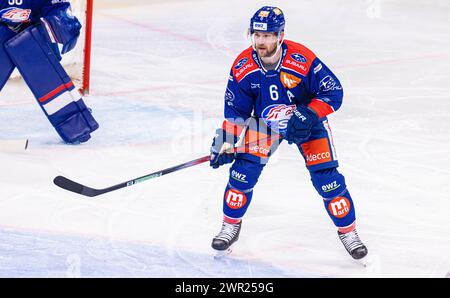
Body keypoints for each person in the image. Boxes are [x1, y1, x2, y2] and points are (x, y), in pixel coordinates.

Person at [209, 6, 368, 260]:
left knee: (328, 180)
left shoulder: (302, 59)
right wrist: (225, 141)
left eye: (268, 35)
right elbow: (236, 111)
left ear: (280, 35)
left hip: (306, 122)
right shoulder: (242, 66)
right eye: (257, 35)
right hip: (264, 124)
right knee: (241, 174)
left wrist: (309, 113)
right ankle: (230, 225)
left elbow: (333, 92)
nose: (261, 42)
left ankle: (348, 232)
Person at [0, 0, 98, 144]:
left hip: (33, 34)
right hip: (2, 32)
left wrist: (63, 20)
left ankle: (75, 124)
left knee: (50, 82)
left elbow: (55, 6)